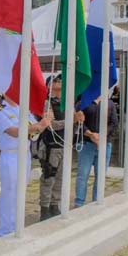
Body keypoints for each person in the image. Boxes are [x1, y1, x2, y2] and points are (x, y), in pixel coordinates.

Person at [0, 96, 50, 237]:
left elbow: (33, 134)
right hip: (11, 155)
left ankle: (17, 225)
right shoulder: (1, 111)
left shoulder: (23, 109)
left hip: (25, 154)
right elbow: (14, 131)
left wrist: (44, 124)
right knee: (9, 192)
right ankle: (5, 230)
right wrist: (37, 126)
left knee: (20, 191)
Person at [38, 74, 82, 220]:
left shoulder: (66, 103)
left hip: (64, 145)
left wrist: (77, 120)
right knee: (48, 178)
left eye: (60, 83)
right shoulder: (47, 103)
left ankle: (54, 205)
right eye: (56, 83)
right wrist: (70, 121)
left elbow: (74, 122)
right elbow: (51, 125)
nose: (60, 85)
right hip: (51, 146)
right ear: (50, 87)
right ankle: (44, 208)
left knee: (60, 179)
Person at [74, 95, 118, 207]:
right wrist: (90, 134)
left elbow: (114, 123)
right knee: (83, 175)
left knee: (101, 175)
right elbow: (77, 122)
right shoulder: (83, 102)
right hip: (86, 143)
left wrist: (101, 135)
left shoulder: (110, 103)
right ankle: (79, 203)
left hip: (104, 144)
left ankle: (97, 201)